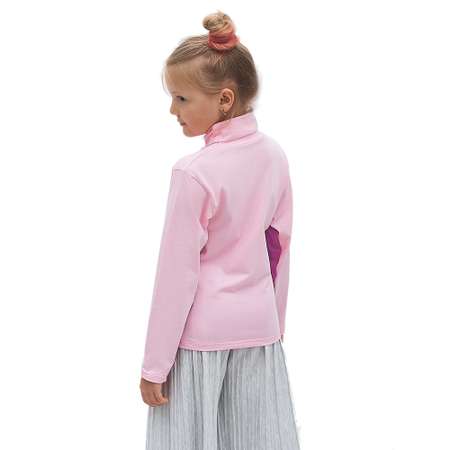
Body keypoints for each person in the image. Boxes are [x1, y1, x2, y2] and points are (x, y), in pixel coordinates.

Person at [139, 10, 301, 450]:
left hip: (201, 339)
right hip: (259, 330)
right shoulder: (274, 156)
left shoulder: (194, 173)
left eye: (182, 98)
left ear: (224, 99)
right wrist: (274, 326)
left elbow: (176, 276)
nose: (172, 110)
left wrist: (155, 366)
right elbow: (278, 248)